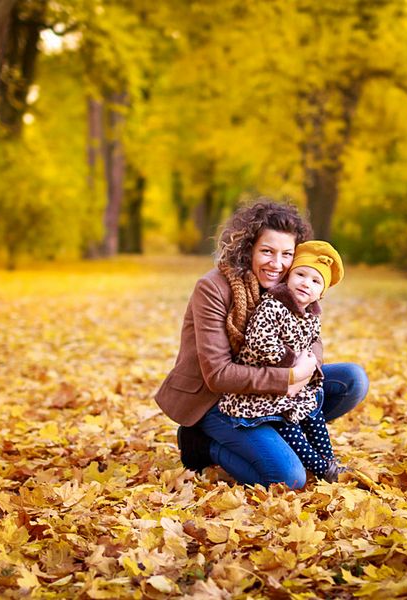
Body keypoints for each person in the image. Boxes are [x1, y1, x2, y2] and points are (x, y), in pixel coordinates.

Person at [154, 199, 369, 489]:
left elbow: (312, 338)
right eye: (267, 251)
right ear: (249, 249)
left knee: (352, 380)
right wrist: (288, 378)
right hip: (216, 400)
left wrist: (307, 365)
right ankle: (205, 445)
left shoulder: (294, 286)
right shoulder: (213, 287)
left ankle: (274, 437)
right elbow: (218, 375)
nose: (277, 264)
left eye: (287, 254)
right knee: (288, 478)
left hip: (271, 395)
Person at [218, 240, 348, 483]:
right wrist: (291, 364)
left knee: (313, 414)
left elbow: (313, 341)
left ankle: (329, 459)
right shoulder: (273, 304)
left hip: (293, 388)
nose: (305, 283)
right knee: (291, 426)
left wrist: (307, 367)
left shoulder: (311, 315)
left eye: (315, 281)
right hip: (261, 389)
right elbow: (259, 340)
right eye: (300, 274)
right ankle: (319, 466)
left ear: (321, 293)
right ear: (288, 277)